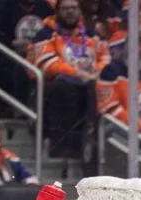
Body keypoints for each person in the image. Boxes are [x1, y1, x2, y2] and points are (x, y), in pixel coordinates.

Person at [31, 0, 109, 159]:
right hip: (58, 85)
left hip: (90, 81)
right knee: (63, 88)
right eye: (65, 8)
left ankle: (92, 142)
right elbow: (48, 64)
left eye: (73, 8)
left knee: (100, 88)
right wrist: (78, 73)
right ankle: (62, 147)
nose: (70, 12)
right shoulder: (45, 34)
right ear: (57, 11)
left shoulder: (92, 34)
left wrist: (98, 71)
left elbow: (106, 57)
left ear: (80, 11)